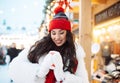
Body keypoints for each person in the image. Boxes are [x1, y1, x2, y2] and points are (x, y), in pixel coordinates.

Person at [8, 6, 89, 83]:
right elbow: (15, 67)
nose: (57, 37)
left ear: (67, 33)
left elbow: (83, 81)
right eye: (53, 33)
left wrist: (62, 76)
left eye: (61, 33)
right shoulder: (41, 46)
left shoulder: (75, 52)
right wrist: (40, 71)